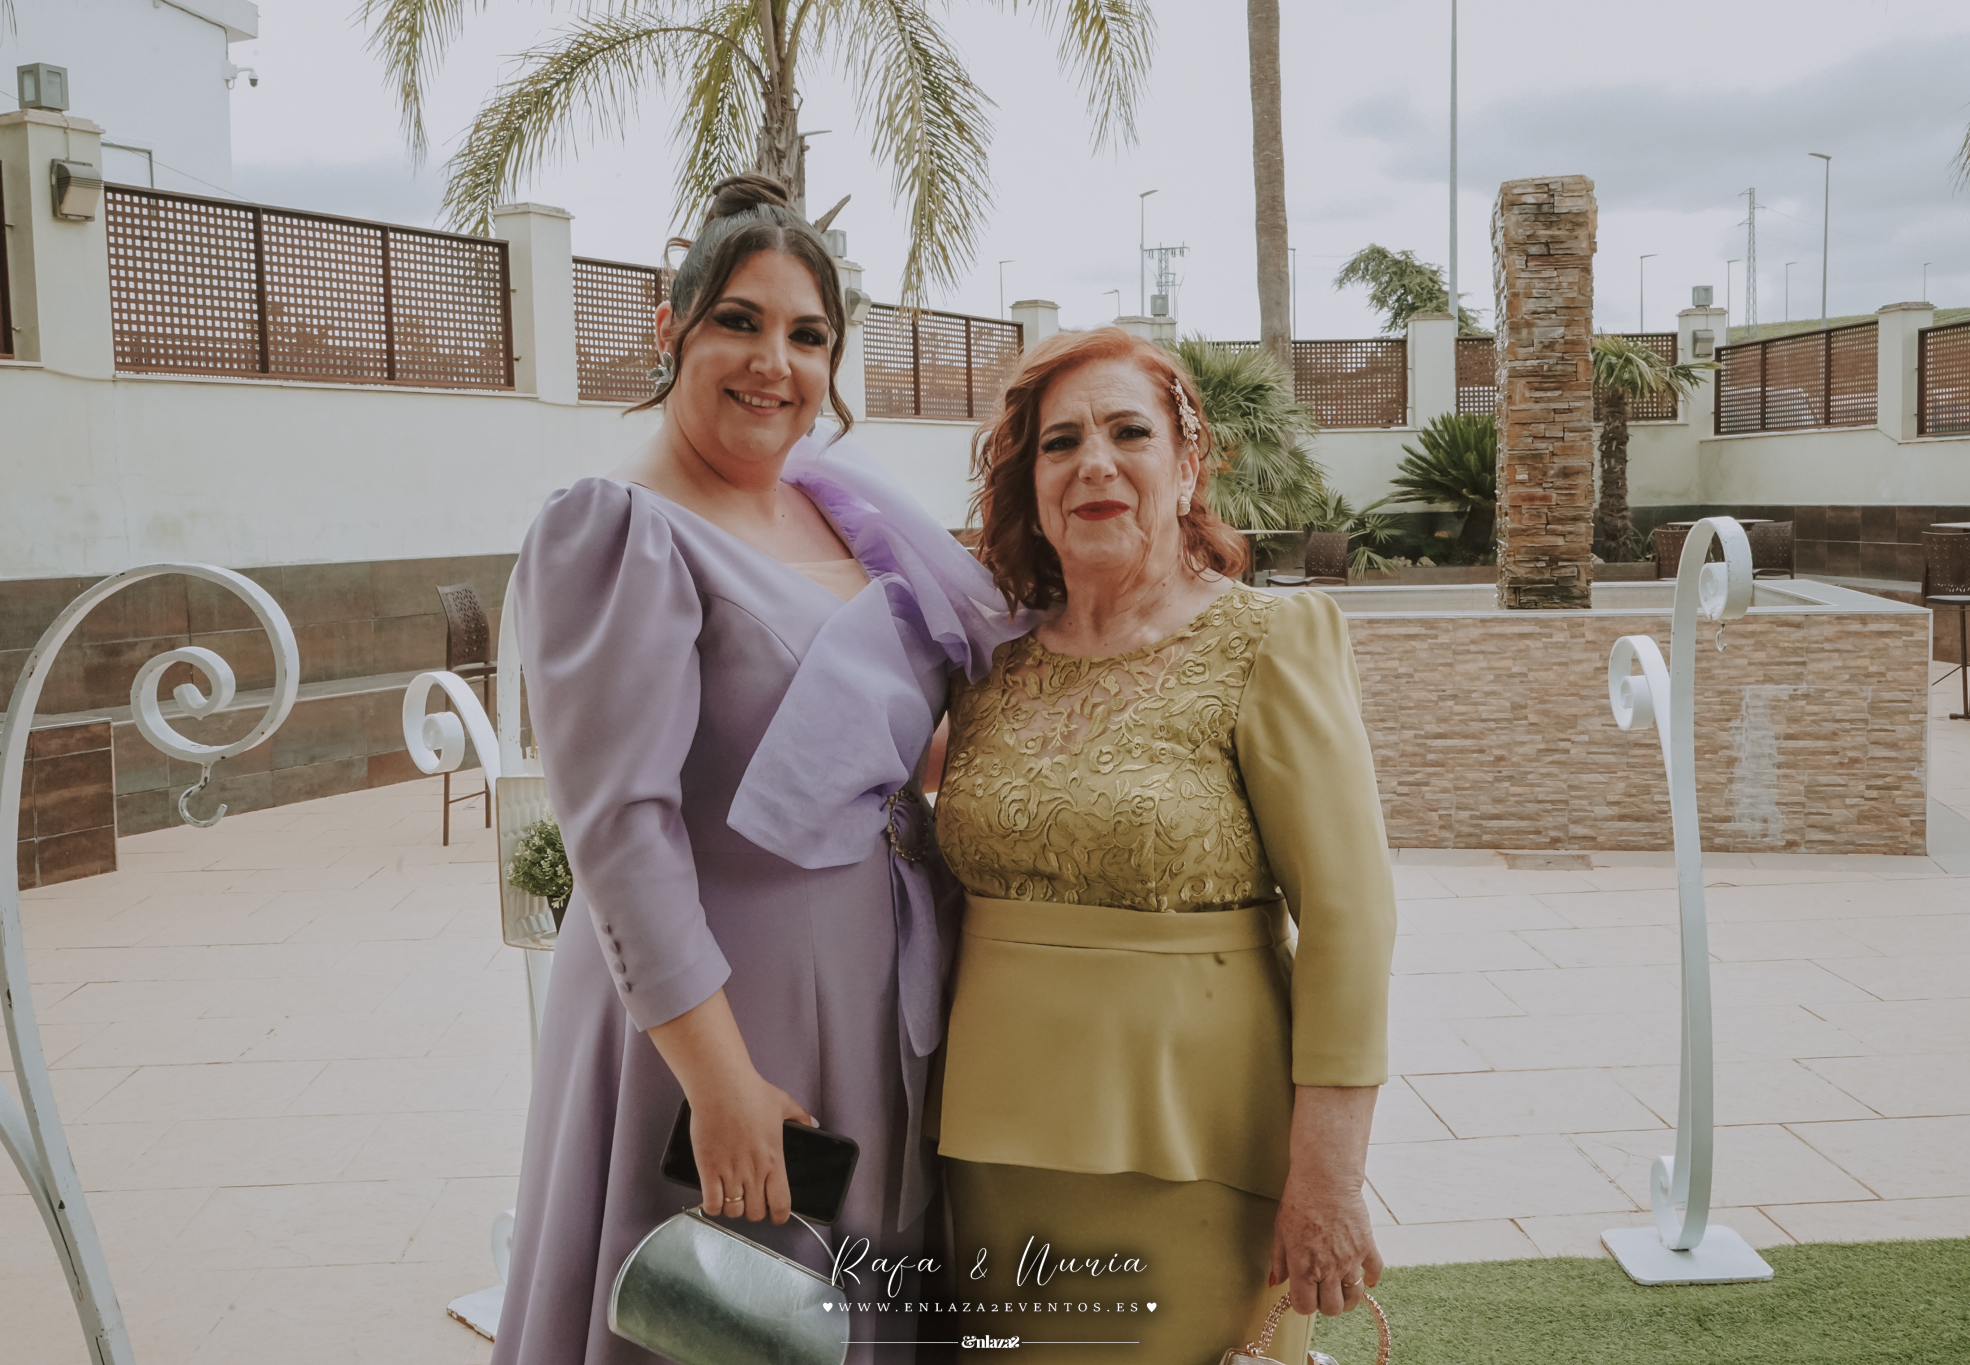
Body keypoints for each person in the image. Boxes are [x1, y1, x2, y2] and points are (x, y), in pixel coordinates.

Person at [495, 174, 1025, 1365]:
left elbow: (898, 742)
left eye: (806, 334)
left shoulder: (840, 514)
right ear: (669, 328)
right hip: (718, 1019)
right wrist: (719, 1084)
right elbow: (620, 831)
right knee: (726, 1319)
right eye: (738, 320)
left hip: (873, 999)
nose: (772, 362)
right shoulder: (616, 527)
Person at [931, 326, 1397, 1363]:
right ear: (1031, 486)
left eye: (1128, 432)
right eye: (1060, 443)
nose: (1093, 463)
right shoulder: (985, 666)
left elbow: (1350, 921)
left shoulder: (1268, 640)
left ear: (1187, 467)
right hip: (985, 1147)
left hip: (1198, 1149)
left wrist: (1329, 1176)